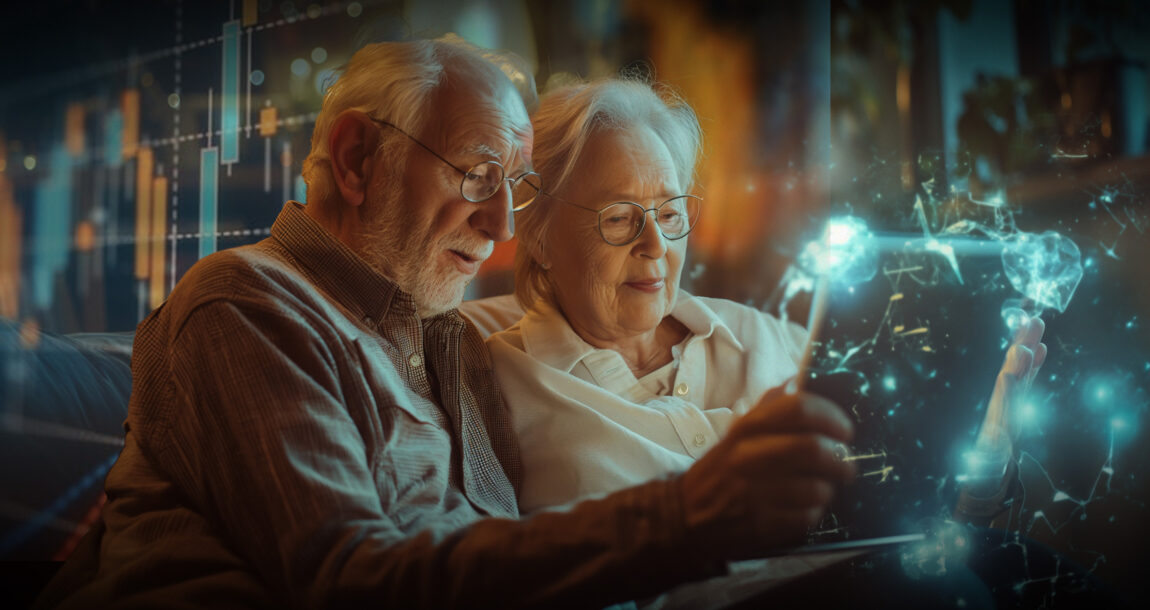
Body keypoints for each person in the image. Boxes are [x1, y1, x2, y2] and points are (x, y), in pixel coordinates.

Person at [35, 37, 857, 609]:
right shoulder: (245, 306)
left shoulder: (446, 337)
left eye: (517, 189)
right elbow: (354, 584)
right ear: (359, 161)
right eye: (476, 175)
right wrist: (686, 518)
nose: (502, 226)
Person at [486, 76, 1048, 518]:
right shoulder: (491, 383)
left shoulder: (773, 340)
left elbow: (906, 508)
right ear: (537, 234)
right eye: (618, 218)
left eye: (671, 212)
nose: (655, 244)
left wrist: (985, 459)